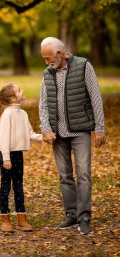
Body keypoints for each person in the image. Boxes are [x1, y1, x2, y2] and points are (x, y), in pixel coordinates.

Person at [39, 37, 106, 235]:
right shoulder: (47, 73)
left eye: (48, 57)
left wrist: (99, 128)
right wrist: (45, 128)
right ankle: (72, 215)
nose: (46, 62)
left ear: (60, 53)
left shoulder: (84, 66)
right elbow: (43, 103)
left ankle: (84, 218)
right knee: (65, 176)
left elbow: (95, 97)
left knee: (83, 175)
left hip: (80, 131)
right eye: (44, 58)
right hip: (57, 134)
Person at [0, 83, 42, 233]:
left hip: (18, 154)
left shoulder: (23, 114)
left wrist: (45, 137)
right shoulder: (7, 115)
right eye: (19, 90)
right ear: (13, 98)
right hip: (6, 155)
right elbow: (3, 138)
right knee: (6, 186)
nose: (23, 91)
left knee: (19, 186)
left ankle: (22, 220)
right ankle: (5, 221)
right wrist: (6, 158)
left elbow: (30, 134)